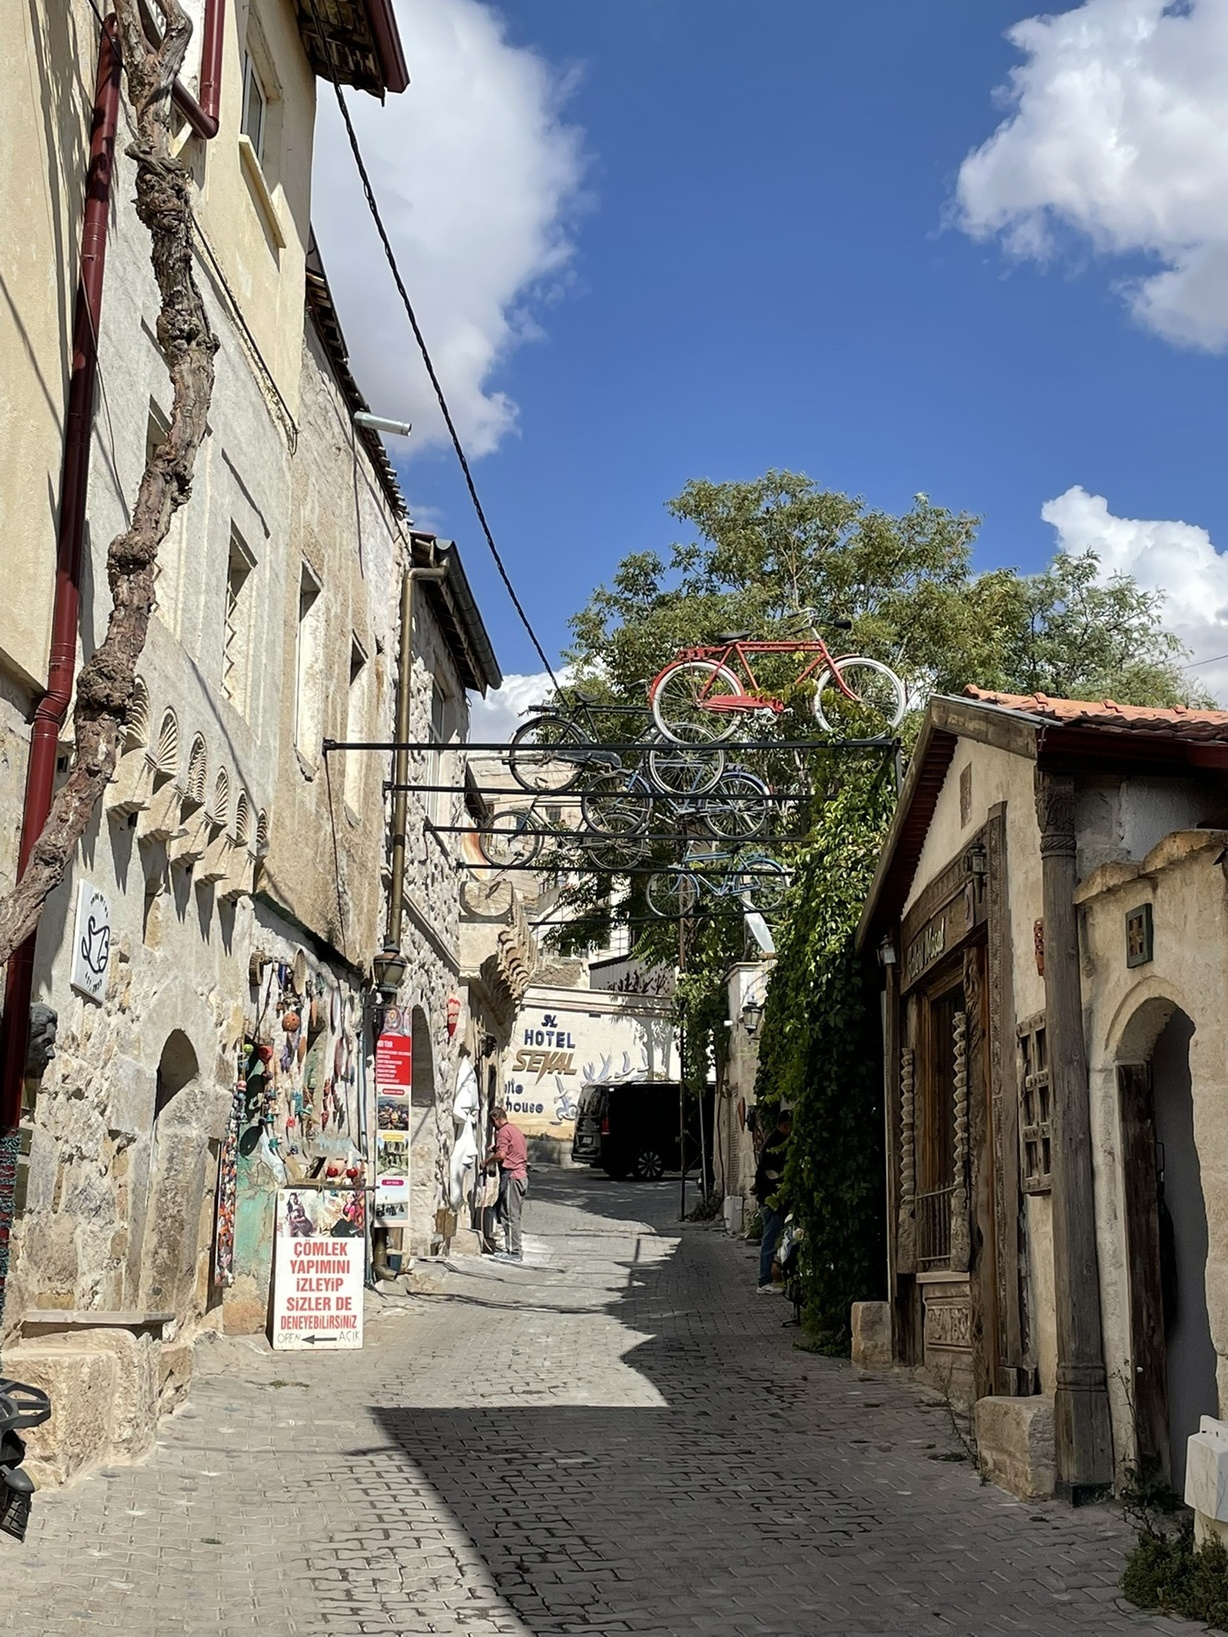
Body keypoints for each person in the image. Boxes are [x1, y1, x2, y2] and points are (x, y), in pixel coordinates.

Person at [753, 1106, 792, 1292]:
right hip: (772, 1202)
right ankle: (764, 1281)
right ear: (785, 1126)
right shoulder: (775, 1145)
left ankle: (768, 1279)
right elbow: (771, 1174)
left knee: (772, 1240)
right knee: (769, 1241)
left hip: (770, 1200)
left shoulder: (773, 1141)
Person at [484, 1106, 528, 1263]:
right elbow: (511, 1149)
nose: (493, 1126)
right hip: (521, 1176)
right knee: (509, 1213)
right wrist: (496, 1147)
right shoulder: (514, 1130)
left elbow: (502, 1155)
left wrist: (487, 1162)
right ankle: (514, 1248)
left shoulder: (503, 1132)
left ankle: (514, 1251)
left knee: (509, 1215)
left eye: (492, 1123)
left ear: (495, 1119)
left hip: (512, 1177)